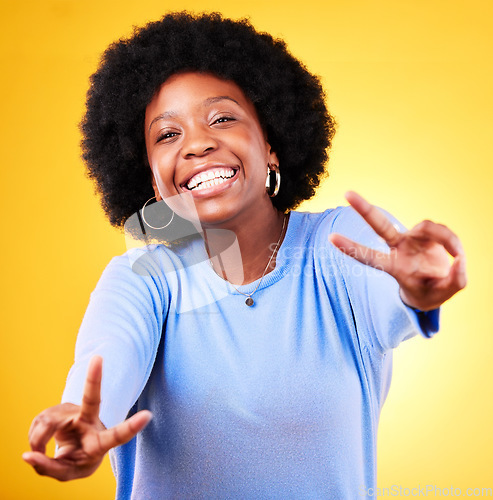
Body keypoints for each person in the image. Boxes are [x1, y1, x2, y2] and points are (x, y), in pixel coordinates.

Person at [23, 12, 466, 498]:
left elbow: (390, 284)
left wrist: (414, 287)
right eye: (167, 135)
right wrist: (83, 425)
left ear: (271, 146)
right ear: (152, 180)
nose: (197, 143)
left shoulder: (338, 244)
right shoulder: (143, 277)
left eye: (222, 118)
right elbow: (106, 358)